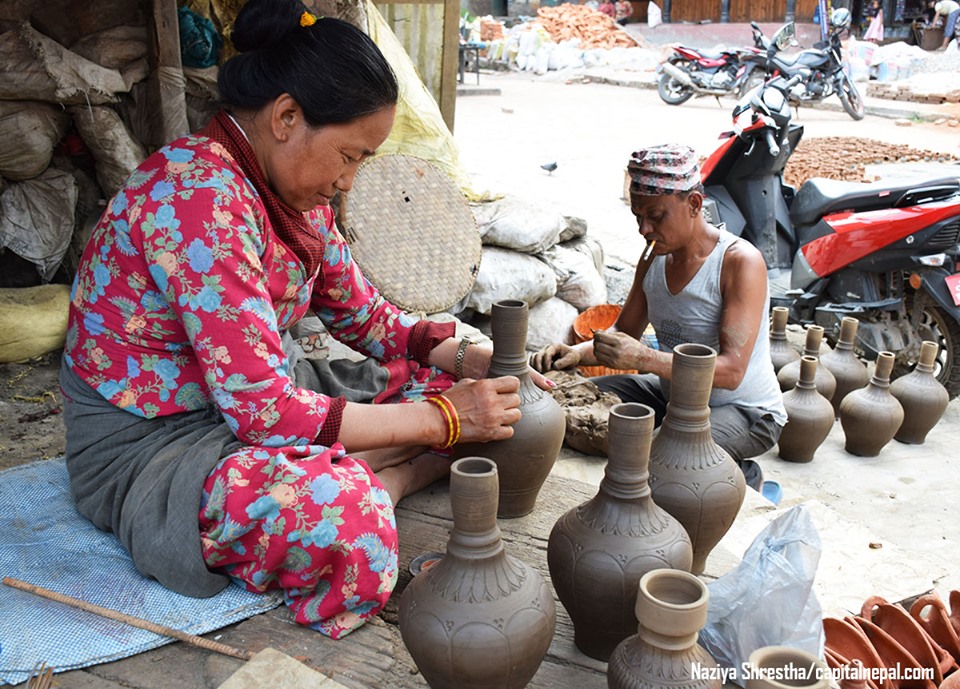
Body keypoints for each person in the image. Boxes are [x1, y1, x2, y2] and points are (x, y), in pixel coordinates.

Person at [60, 0, 534, 640]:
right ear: (286, 117)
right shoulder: (197, 201)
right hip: (154, 445)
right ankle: (390, 481)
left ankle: (386, 463)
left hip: (243, 405)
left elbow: (362, 314)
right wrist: (445, 421)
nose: (349, 181)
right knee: (354, 517)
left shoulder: (289, 192)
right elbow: (265, 415)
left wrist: (462, 360)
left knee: (436, 386)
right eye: (349, 155)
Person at [531, 144, 786, 489]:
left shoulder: (739, 262)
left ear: (694, 204)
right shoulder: (653, 257)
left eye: (656, 216)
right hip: (672, 397)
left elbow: (731, 372)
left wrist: (645, 359)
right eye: (638, 217)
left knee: (658, 458)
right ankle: (704, 460)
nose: (644, 229)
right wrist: (576, 353)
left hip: (745, 410)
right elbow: (625, 332)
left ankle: (739, 475)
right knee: (570, 401)